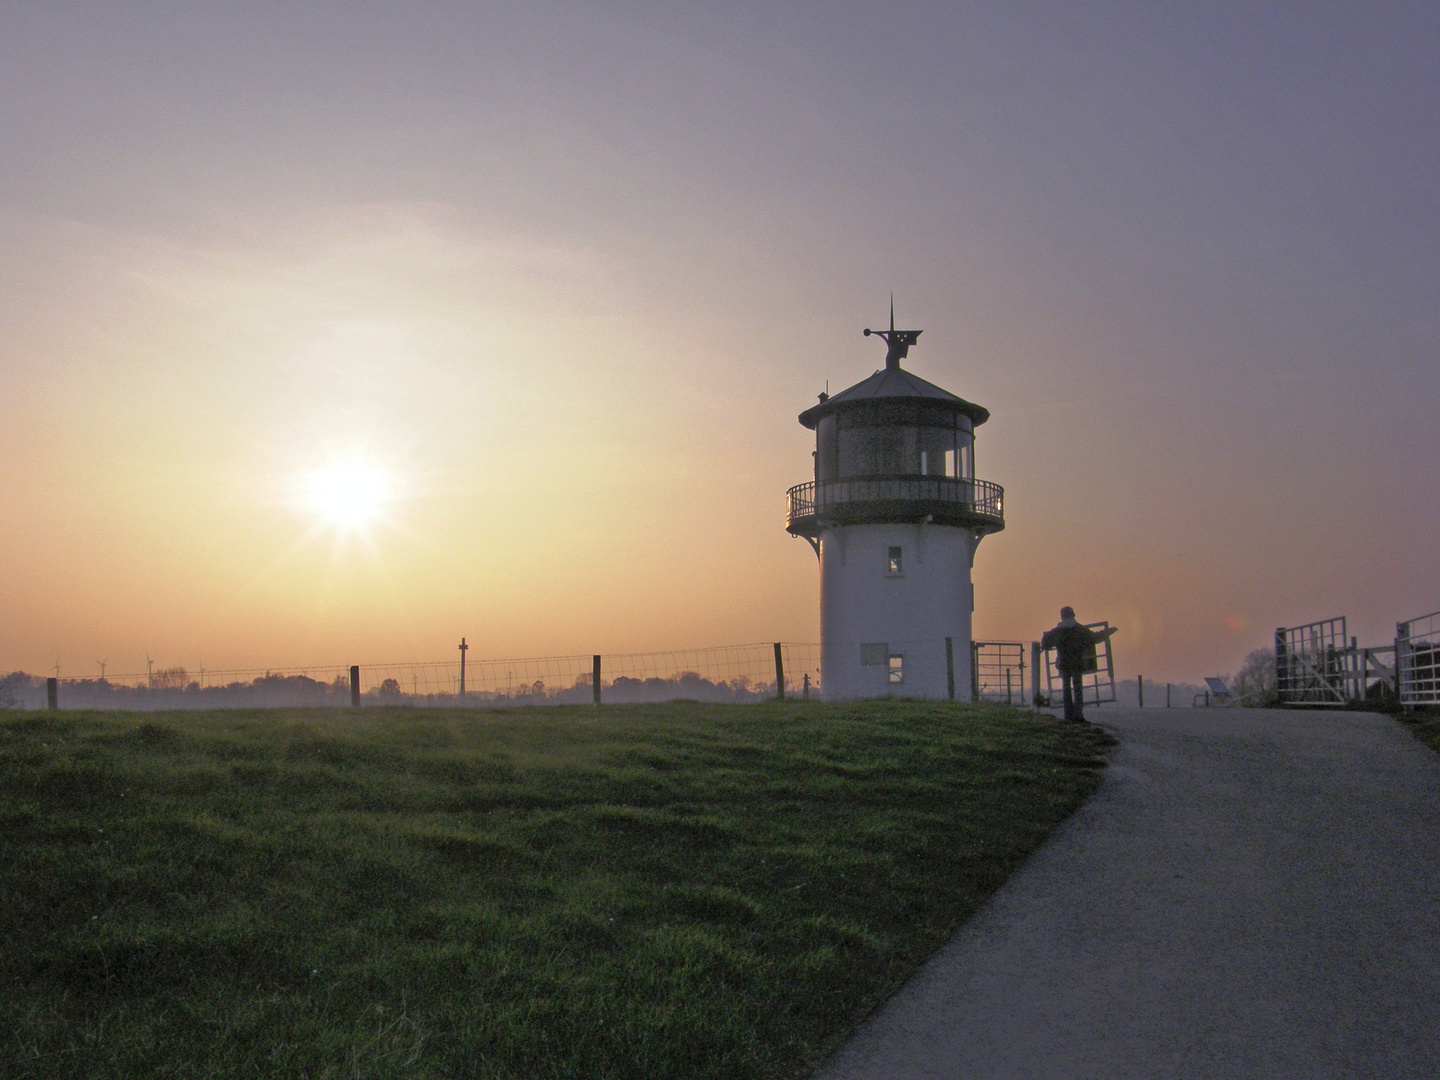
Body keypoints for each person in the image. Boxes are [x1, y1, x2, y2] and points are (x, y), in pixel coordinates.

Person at [1041, 607, 1118, 722]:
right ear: (1073, 615)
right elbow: (1095, 637)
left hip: (1064, 663)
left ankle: (1068, 715)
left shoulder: (1057, 630)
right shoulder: (1080, 629)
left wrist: (1050, 645)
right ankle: (1078, 715)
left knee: (1066, 689)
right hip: (1077, 663)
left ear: (1062, 616)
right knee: (1078, 689)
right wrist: (1109, 631)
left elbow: (1045, 641)